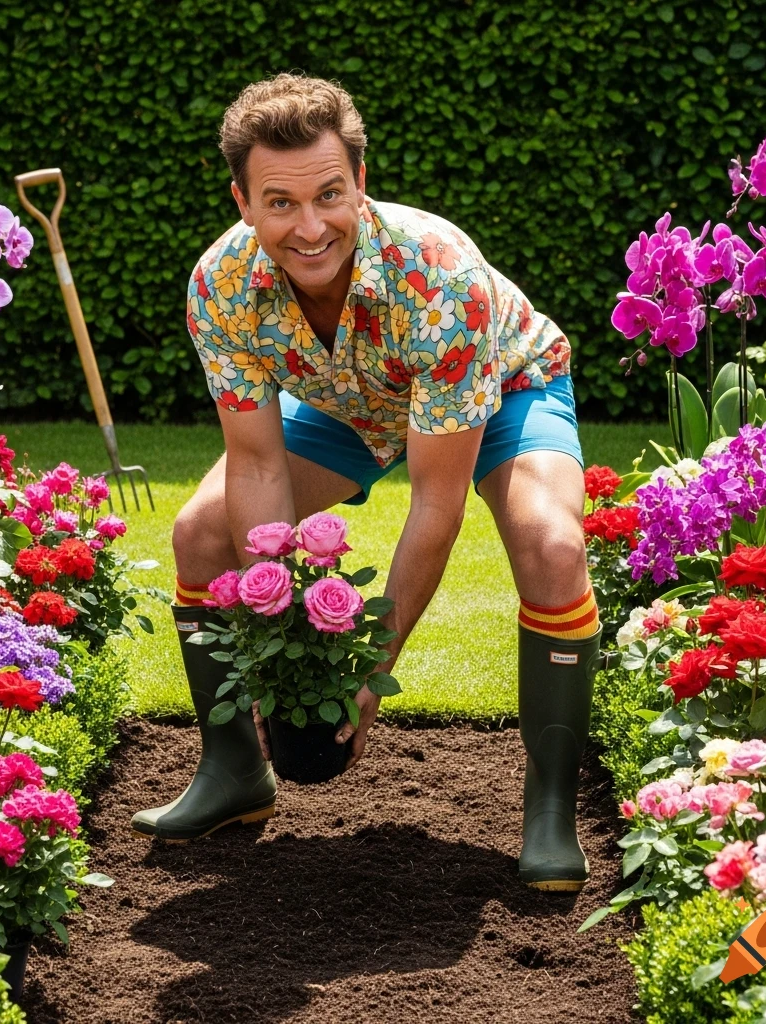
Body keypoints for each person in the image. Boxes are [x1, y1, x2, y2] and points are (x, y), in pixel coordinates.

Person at [130, 73, 604, 892]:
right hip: (346, 405)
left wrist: (367, 673)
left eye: (329, 195)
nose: (310, 227)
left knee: (552, 546)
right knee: (200, 534)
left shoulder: (438, 276)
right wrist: (279, 654)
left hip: (502, 390)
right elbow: (257, 464)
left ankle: (551, 808)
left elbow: (436, 499)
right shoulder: (220, 286)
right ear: (242, 201)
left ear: (360, 181)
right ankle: (234, 772)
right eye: (280, 203)